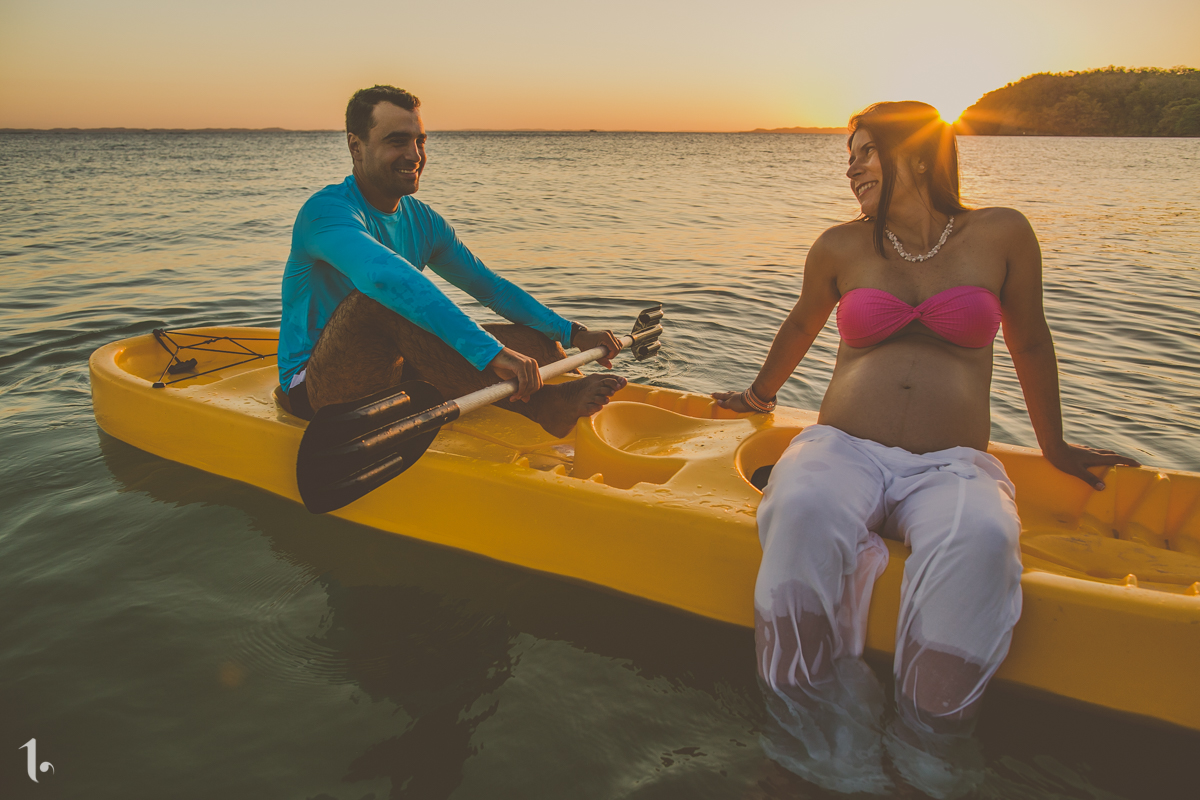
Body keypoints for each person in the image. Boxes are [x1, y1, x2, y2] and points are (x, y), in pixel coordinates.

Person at [712, 101, 1138, 796]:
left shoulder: (1001, 234)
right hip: (843, 447)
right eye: (848, 155)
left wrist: (1054, 446)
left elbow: (1030, 341)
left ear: (915, 154)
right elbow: (799, 324)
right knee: (803, 506)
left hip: (950, 464)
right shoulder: (839, 247)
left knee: (981, 536)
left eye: (864, 152)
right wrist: (759, 397)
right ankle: (805, 735)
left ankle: (926, 750)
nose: (850, 168)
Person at [279, 85, 625, 434]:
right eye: (397, 141)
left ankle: (571, 407)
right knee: (377, 300)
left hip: (393, 370)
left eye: (420, 141)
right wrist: (492, 354)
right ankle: (543, 407)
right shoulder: (325, 213)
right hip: (315, 387)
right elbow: (386, 278)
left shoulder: (423, 221)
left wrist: (573, 333)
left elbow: (493, 291)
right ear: (356, 146)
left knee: (536, 341)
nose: (415, 155)